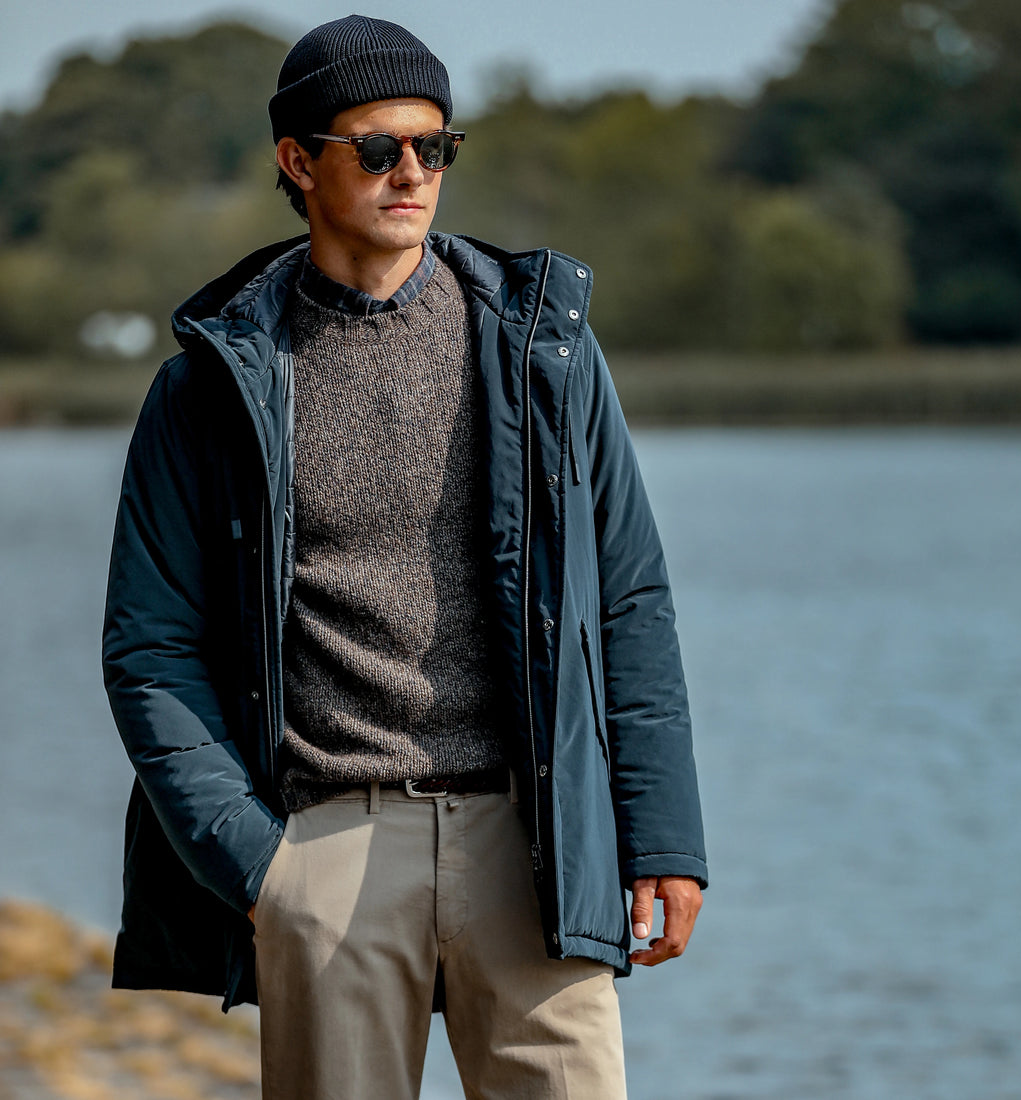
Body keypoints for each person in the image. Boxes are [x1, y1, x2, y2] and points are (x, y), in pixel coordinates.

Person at [103, 14, 707, 1098]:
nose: (412, 173)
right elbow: (151, 649)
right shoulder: (211, 385)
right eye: (378, 149)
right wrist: (258, 866)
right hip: (326, 844)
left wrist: (658, 830)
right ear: (299, 160)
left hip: (534, 844)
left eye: (435, 147)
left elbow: (627, 598)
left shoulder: (541, 350)